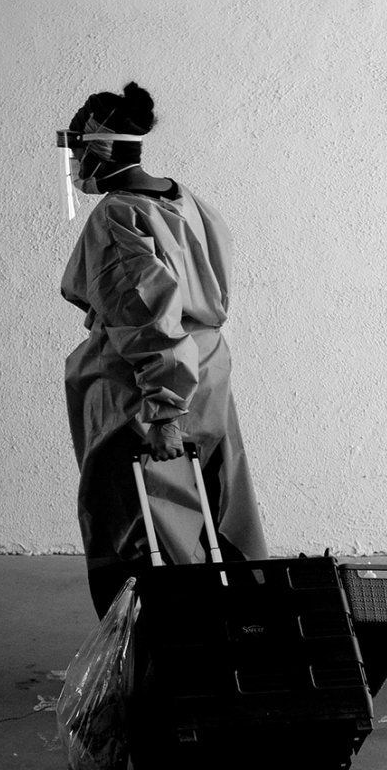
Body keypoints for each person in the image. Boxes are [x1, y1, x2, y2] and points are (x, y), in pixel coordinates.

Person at [59, 81, 267, 616]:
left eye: (76, 146)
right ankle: (231, 636)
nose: (75, 161)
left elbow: (145, 315)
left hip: (147, 393)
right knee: (212, 508)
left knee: (138, 524)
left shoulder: (117, 215)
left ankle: (154, 655)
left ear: (97, 147)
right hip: (205, 371)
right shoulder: (184, 198)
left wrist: (164, 409)